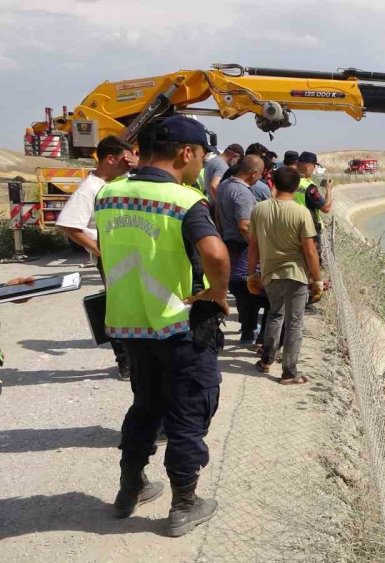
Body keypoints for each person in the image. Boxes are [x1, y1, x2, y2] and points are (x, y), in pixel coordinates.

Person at [95, 115, 230, 537]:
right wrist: (218, 293)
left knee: (145, 407)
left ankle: (129, 488)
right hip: (180, 326)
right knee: (188, 413)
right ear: (185, 153)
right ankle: (184, 505)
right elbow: (216, 255)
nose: (202, 164)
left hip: (132, 325)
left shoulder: (109, 194)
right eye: (203, 155)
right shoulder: (183, 200)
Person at [56, 135, 136, 379]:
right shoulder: (90, 188)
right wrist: (101, 252)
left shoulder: (112, 183)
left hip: (123, 257)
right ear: (110, 159)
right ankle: (125, 362)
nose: (129, 164)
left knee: (130, 308)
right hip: (111, 259)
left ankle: (134, 359)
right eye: (125, 160)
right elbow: (69, 225)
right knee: (119, 310)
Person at [247, 166, 323, 385]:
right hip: (296, 274)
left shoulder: (259, 210)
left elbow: (253, 246)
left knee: (274, 314)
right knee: (294, 323)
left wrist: (252, 274)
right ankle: (289, 372)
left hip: (270, 273)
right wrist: (316, 279)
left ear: (274, 184)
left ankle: (266, 360)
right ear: (296, 186)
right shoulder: (301, 212)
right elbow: (309, 250)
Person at [216, 155, 266, 345]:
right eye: (260, 174)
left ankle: (248, 330)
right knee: (250, 289)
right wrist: (258, 249)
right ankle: (249, 332)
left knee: (240, 288)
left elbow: (219, 216)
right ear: (253, 173)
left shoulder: (224, 186)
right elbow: (244, 226)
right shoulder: (243, 193)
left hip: (228, 242)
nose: (260, 178)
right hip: (243, 246)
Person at [293, 152, 333, 237]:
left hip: (295, 226)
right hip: (310, 229)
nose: (314, 168)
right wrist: (328, 190)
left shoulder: (291, 181)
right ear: (307, 166)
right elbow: (326, 208)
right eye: (314, 166)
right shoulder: (309, 187)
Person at [196, 142, 243, 209]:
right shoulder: (223, 166)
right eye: (238, 160)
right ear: (235, 156)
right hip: (212, 206)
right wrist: (220, 206)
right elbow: (214, 186)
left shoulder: (213, 160)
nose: (236, 164)